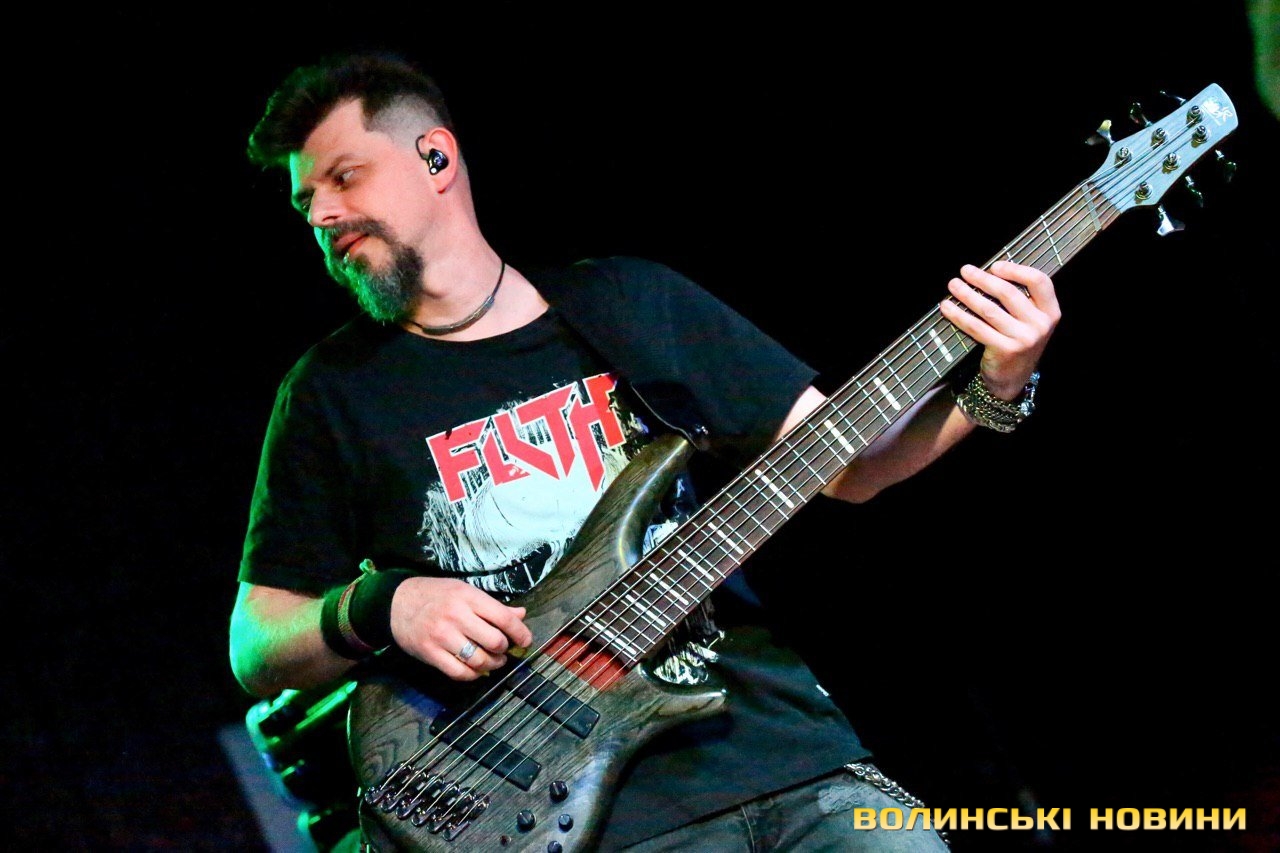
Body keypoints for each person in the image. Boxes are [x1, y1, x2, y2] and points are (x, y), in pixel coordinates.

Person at [229, 50, 1059, 852]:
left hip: (790, 761)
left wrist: (996, 383)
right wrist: (383, 605)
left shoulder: (627, 301)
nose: (322, 214)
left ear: (436, 158)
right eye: (307, 202)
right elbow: (255, 645)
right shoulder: (331, 394)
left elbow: (852, 463)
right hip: (583, 818)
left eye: (345, 177)